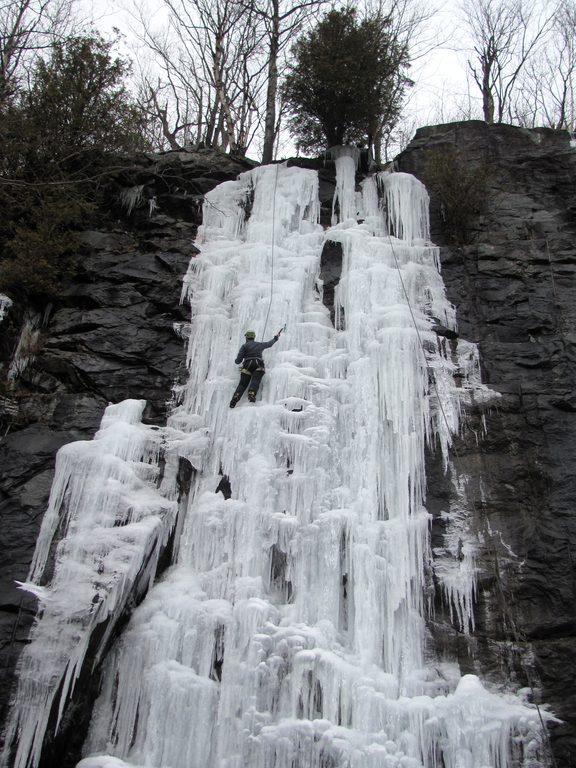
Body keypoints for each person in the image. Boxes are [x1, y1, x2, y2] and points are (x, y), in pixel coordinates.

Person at [229, 328, 283, 408]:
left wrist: (237, 360)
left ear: (246, 338)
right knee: (256, 379)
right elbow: (269, 344)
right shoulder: (259, 344)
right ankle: (252, 393)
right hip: (258, 364)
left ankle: (235, 398)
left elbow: (238, 361)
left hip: (247, 365)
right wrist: (276, 338)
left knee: (242, 384)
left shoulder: (244, 346)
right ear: (253, 337)